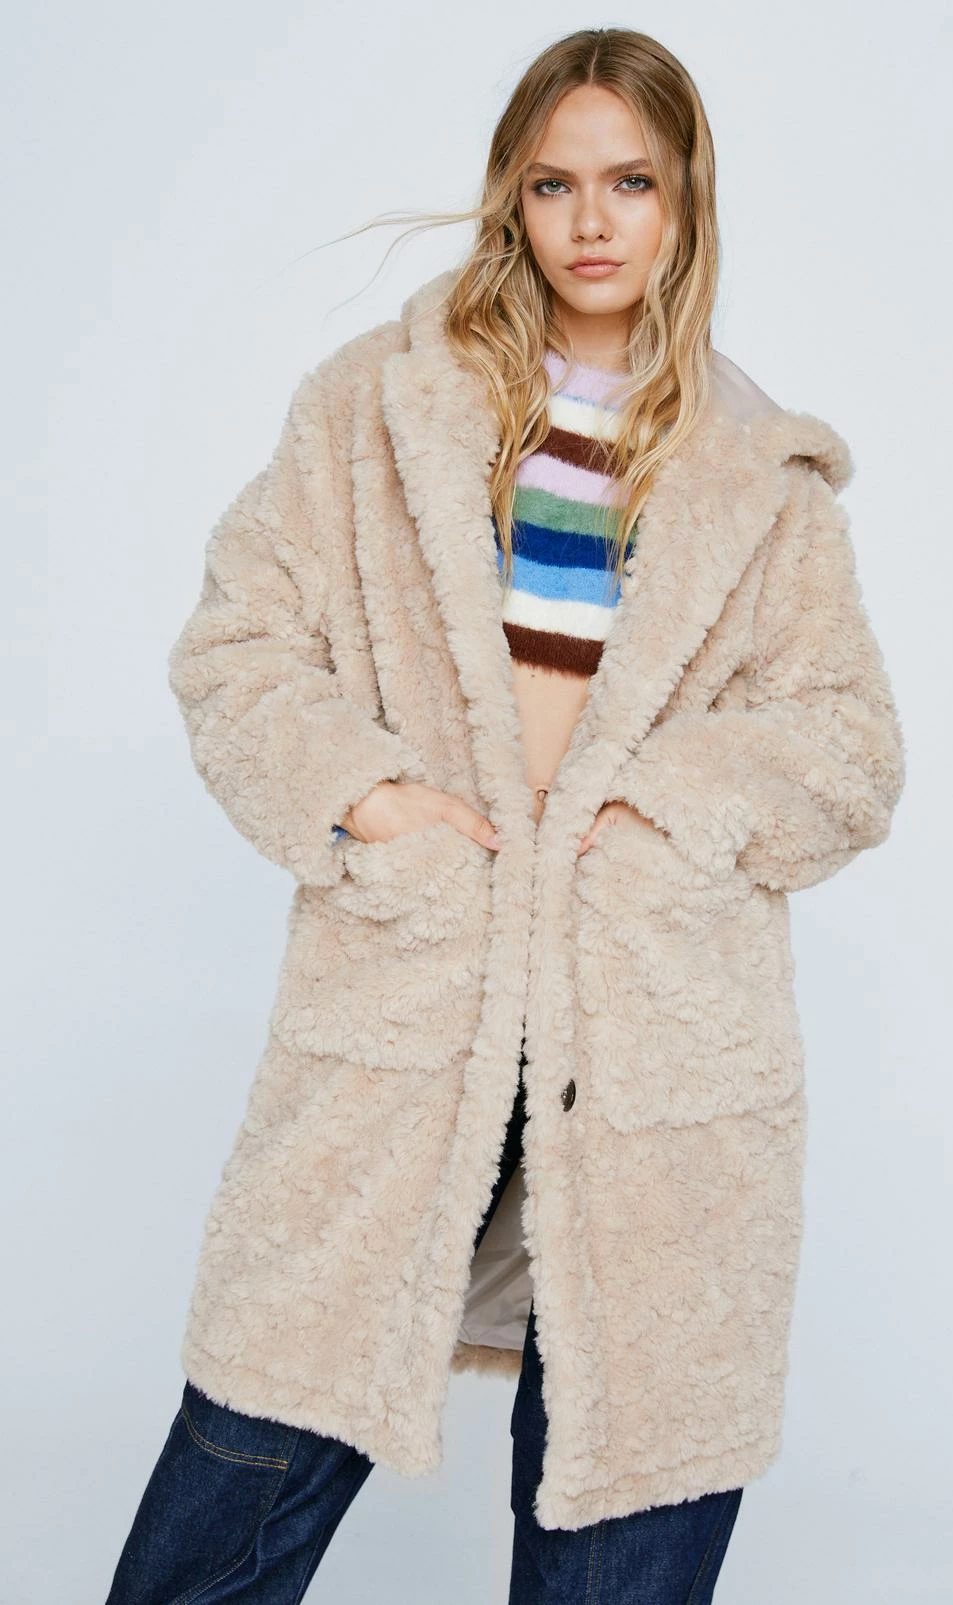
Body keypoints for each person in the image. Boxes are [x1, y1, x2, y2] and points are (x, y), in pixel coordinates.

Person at [105, 25, 905, 1605]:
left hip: (657, 1036)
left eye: (630, 183)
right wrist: (365, 798)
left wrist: (663, 816)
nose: (590, 221)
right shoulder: (378, 411)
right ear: (510, 198)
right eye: (552, 184)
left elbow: (846, 749)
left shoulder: (761, 475)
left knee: (632, 1482)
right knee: (260, 1430)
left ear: (686, 202)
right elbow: (239, 646)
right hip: (415, 998)